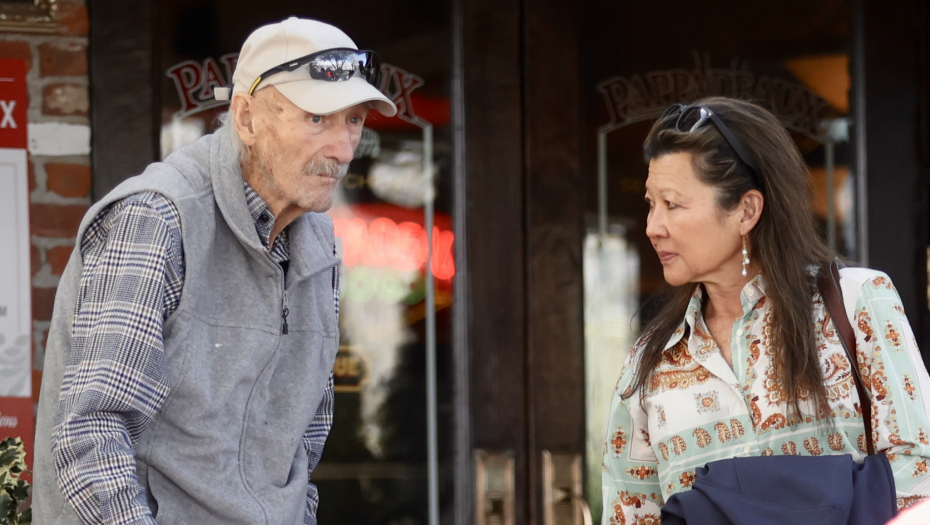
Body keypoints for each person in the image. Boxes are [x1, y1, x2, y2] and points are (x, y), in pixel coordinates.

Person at [31, 17, 396, 525]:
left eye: (353, 120)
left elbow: (299, 451)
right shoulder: (157, 218)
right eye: (317, 119)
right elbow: (90, 436)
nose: (341, 148)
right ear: (245, 118)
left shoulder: (318, 244)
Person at [601, 97, 930, 523]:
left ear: (746, 209)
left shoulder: (857, 302)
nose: (652, 226)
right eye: (651, 204)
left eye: (673, 204)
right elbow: (629, 515)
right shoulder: (649, 364)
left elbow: (920, 470)